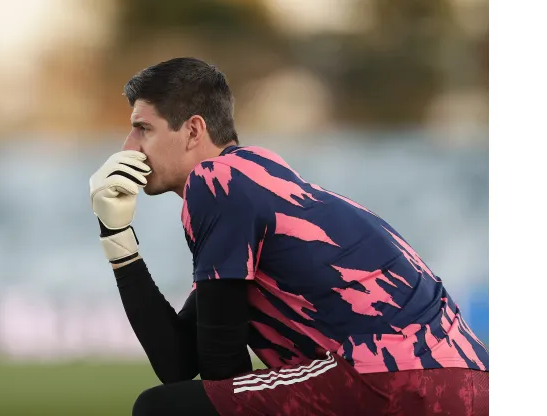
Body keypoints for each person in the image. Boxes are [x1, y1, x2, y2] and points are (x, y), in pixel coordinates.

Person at [88, 57, 489, 416]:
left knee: (161, 410)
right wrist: (117, 237)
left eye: (143, 129)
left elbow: (220, 373)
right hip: (465, 380)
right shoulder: (258, 181)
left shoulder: (216, 180)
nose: (129, 147)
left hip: (389, 375)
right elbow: (177, 362)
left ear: (194, 130)